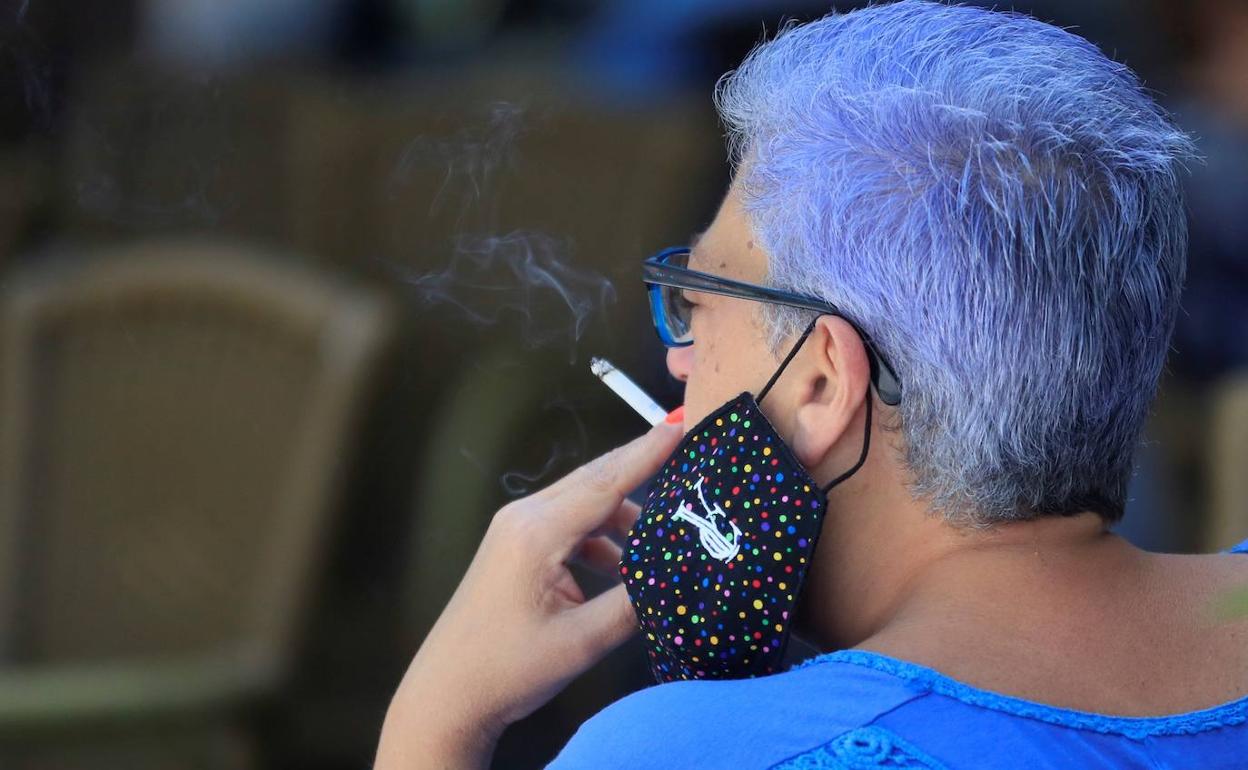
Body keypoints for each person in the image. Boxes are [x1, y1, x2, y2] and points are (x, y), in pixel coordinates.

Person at [373, 2, 1248, 767]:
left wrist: (438, 722)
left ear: (825, 381)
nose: (680, 358)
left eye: (700, 300)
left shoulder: (686, 751)